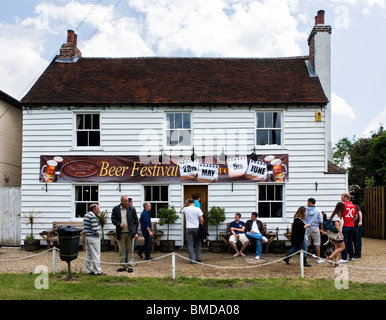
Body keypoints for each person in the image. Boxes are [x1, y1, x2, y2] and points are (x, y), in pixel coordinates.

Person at [111, 195, 139, 273]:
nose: (127, 202)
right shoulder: (116, 209)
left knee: (130, 250)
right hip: (121, 233)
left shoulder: (132, 209)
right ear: (122, 201)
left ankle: (130, 266)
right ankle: (122, 266)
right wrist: (119, 224)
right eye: (126, 201)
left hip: (130, 233)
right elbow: (113, 219)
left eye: (128, 201)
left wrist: (134, 231)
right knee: (122, 250)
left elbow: (136, 221)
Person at [180, 198, 204, 263]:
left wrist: (185, 204)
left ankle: (192, 260)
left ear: (188, 203)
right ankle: (198, 258)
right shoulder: (197, 209)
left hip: (189, 228)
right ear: (194, 202)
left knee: (190, 244)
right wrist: (201, 225)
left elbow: (180, 211)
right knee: (198, 243)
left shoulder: (186, 209)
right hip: (196, 227)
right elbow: (201, 219)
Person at [84, 203, 104, 275]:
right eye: (98, 209)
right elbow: (94, 229)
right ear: (94, 209)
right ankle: (97, 271)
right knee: (96, 254)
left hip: (87, 237)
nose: (99, 211)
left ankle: (88, 270)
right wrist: (98, 235)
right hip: (93, 237)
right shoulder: (92, 216)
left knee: (88, 255)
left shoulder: (86, 215)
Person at [340, 193, 358, 263]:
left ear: (346, 197)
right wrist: (351, 221)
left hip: (345, 225)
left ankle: (344, 257)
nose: (341, 199)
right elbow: (356, 216)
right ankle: (351, 256)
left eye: (342, 197)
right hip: (351, 225)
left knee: (343, 241)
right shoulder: (353, 206)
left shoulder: (344, 205)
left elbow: (341, 215)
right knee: (350, 241)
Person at [326, 202, 346, 267]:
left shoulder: (335, 214)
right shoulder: (337, 215)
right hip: (337, 234)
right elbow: (337, 225)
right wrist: (341, 233)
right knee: (342, 247)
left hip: (335, 234)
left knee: (337, 248)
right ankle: (330, 257)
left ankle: (336, 262)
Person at [305, 198, 324, 264]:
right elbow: (321, 221)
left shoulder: (306, 210)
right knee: (317, 244)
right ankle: (318, 258)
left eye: (307, 201)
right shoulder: (318, 210)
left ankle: (305, 258)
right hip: (315, 227)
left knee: (307, 244)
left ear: (310, 202)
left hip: (307, 227)